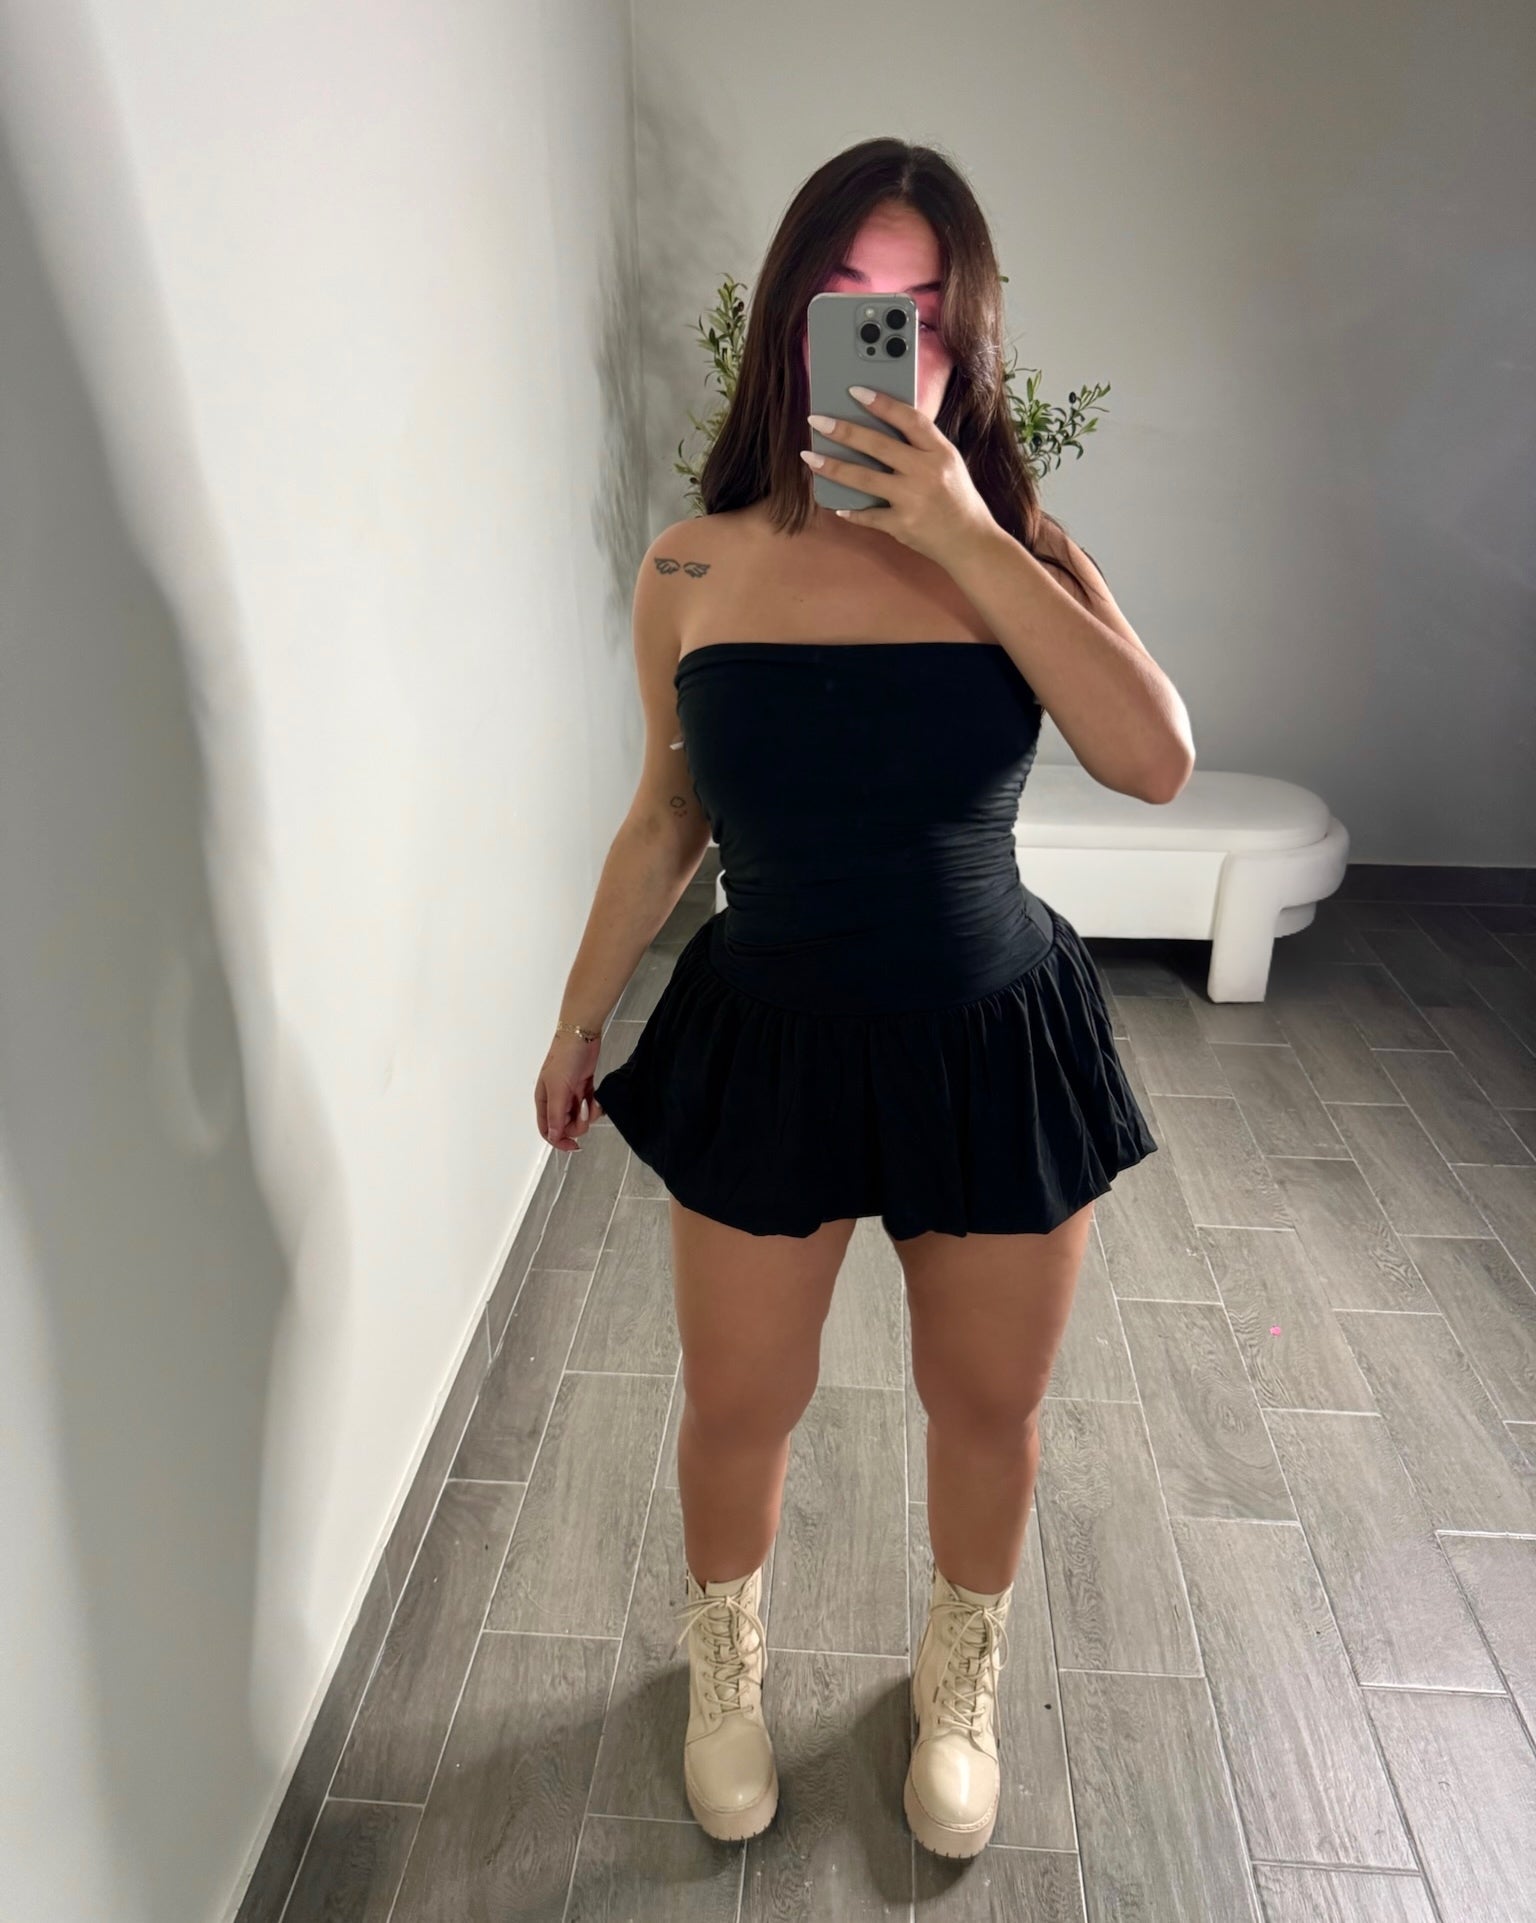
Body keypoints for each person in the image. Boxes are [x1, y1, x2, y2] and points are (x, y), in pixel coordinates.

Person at [534, 136, 1191, 1861]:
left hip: (992, 1037)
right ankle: (725, 1668)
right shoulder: (692, 567)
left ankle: (956, 1685)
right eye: (848, 301)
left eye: (923, 312)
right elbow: (668, 813)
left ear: (966, 344)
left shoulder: (1026, 552)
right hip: (768, 1039)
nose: (889, 338)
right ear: (790, 325)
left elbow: (1154, 760)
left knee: (988, 1406)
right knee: (737, 1403)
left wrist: (969, 537)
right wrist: (580, 1016)